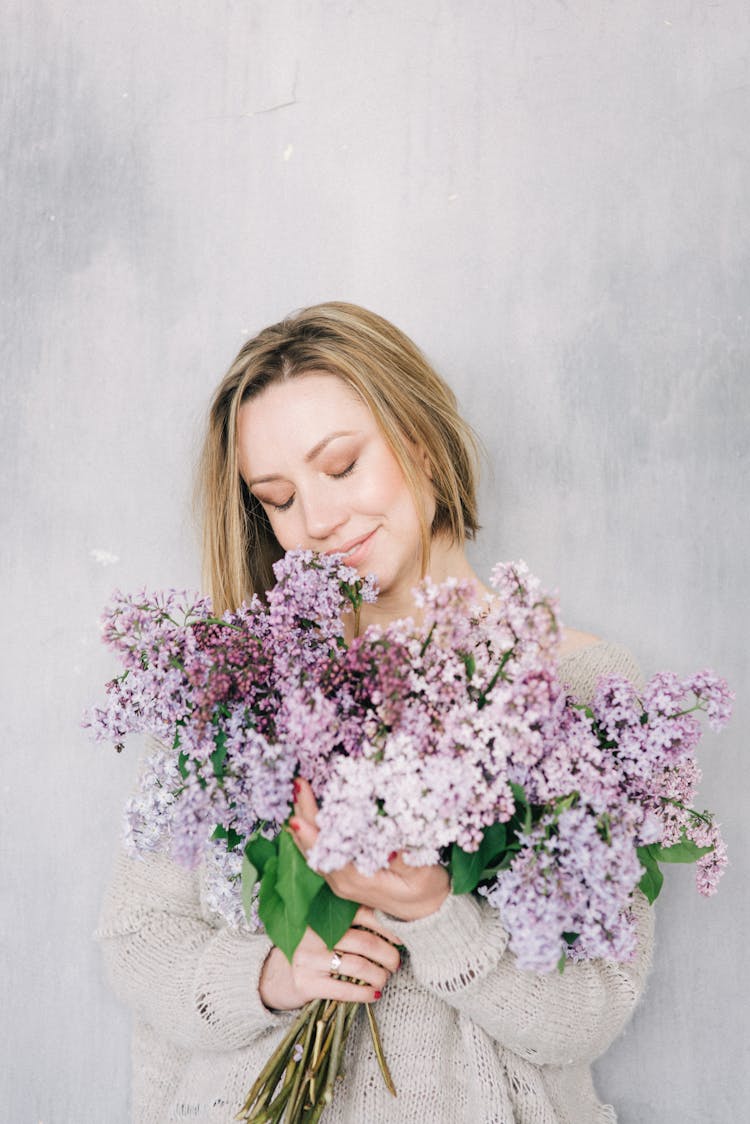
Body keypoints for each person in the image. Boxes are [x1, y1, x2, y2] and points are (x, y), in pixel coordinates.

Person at [97, 302, 653, 1123]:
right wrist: (273, 975)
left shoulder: (574, 684)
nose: (316, 523)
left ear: (421, 443)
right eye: (278, 498)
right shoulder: (239, 680)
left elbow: (593, 1009)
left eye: (343, 465)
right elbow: (138, 937)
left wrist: (433, 912)